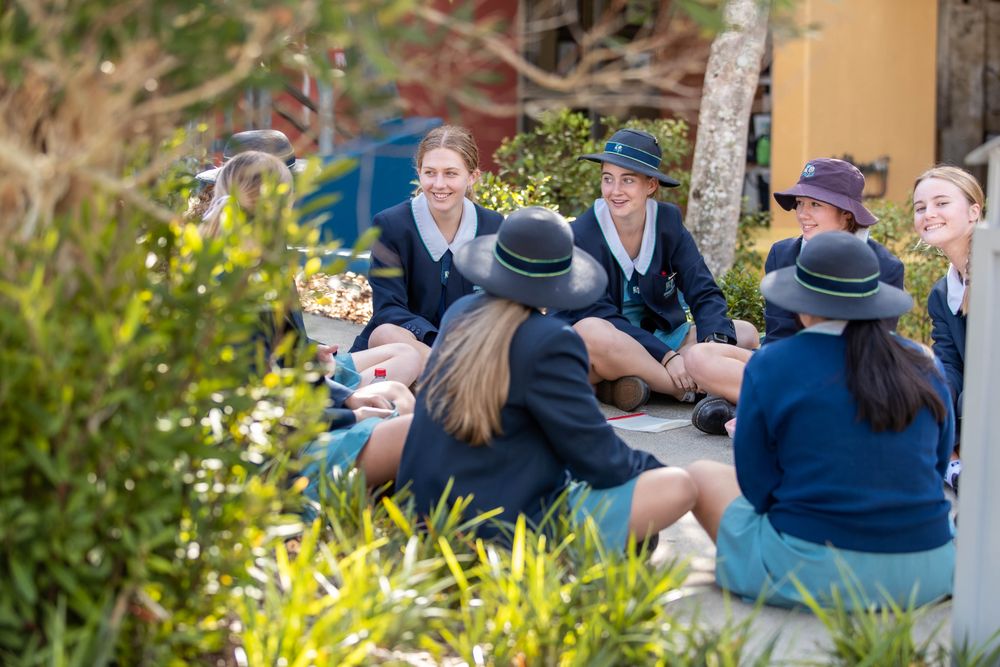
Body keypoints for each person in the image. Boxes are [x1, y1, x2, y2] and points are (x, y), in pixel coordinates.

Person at [396, 207, 696, 549]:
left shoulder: (459, 313)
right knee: (678, 486)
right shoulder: (551, 341)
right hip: (502, 529)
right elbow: (600, 459)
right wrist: (654, 470)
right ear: (558, 282)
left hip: (427, 517)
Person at [686, 232, 955, 609]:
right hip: (927, 572)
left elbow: (758, 486)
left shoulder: (771, 364)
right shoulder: (925, 363)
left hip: (813, 570)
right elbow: (937, 465)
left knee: (700, 475)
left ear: (802, 305)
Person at [202, 152, 417, 502]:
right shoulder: (243, 287)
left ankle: (369, 502)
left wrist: (347, 398)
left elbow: (281, 365)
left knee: (399, 397)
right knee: (414, 428)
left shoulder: (248, 266)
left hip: (297, 420)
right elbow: (259, 406)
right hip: (278, 464)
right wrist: (348, 415)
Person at [686, 158, 905, 435]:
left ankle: (756, 408)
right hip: (789, 364)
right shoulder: (783, 254)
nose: (803, 213)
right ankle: (779, 410)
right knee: (699, 356)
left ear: (847, 215)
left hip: (846, 373)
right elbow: (779, 336)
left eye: (815, 204)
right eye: (800, 203)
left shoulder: (885, 266)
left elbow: (873, 350)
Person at [558, 128, 758, 412]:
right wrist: (668, 357)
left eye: (627, 180)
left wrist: (712, 348)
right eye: (607, 178)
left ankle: (627, 384)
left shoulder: (667, 223)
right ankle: (685, 390)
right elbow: (600, 313)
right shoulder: (581, 234)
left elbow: (703, 289)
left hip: (658, 337)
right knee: (592, 332)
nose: (615, 191)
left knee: (745, 333)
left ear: (651, 185)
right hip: (605, 340)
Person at [349, 125, 504, 367]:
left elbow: (497, 306)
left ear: (472, 177)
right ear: (419, 173)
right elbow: (388, 308)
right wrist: (435, 342)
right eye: (430, 173)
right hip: (410, 345)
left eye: (450, 173)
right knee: (386, 332)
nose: (439, 184)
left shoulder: (492, 226)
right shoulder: (391, 225)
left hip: (468, 349)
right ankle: (448, 375)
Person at [913, 165, 985, 492]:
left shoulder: (993, 272)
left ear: (973, 212)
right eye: (920, 207)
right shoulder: (942, 295)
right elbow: (951, 365)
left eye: (941, 203)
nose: (929, 213)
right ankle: (953, 466)